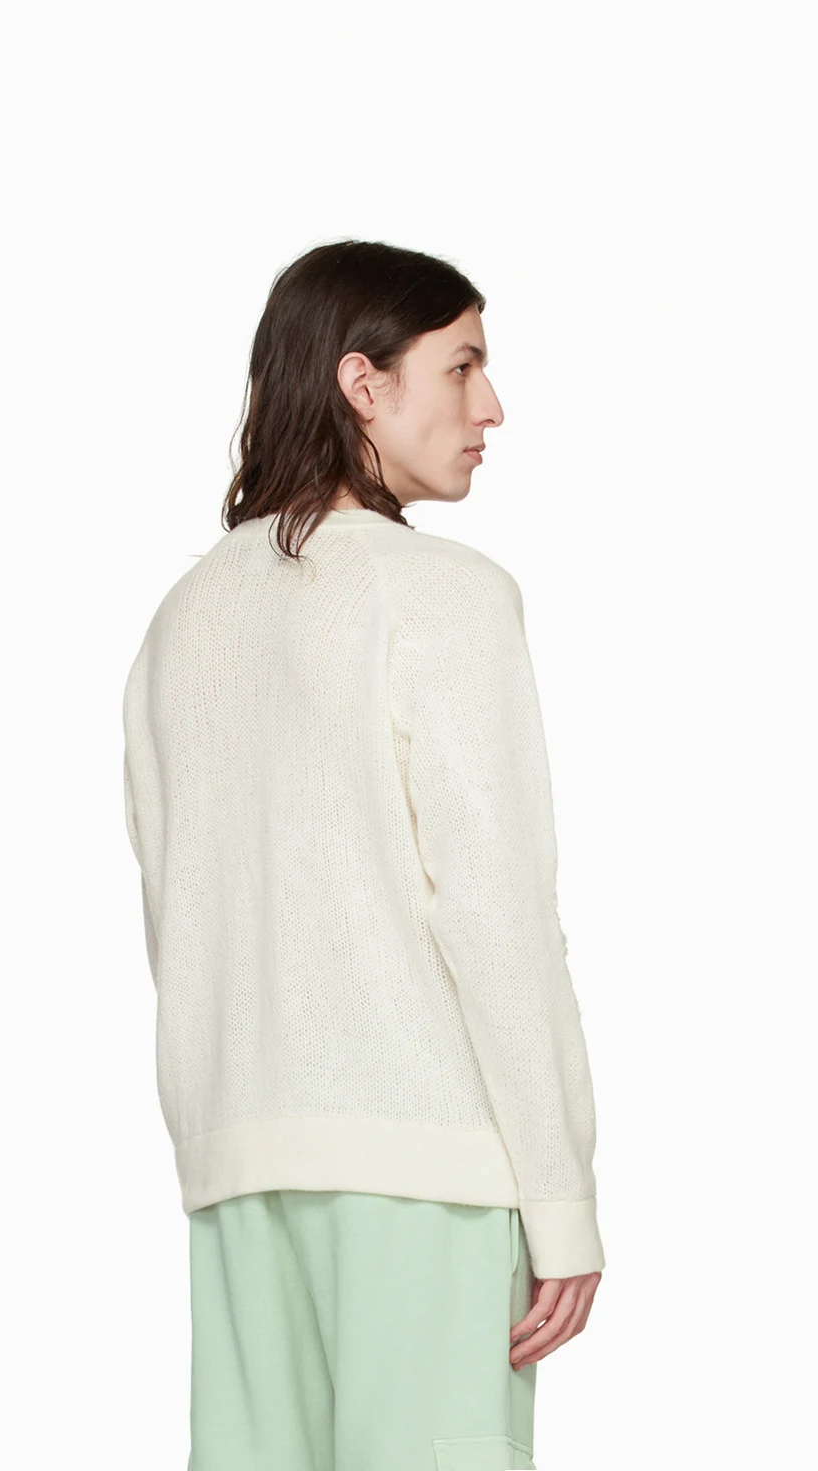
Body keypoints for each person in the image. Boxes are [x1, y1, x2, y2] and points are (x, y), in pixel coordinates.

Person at [122, 239, 606, 1471]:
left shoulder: (182, 621)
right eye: (462, 366)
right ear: (362, 383)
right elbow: (492, 908)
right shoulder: (440, 592)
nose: (492, 407)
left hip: (240, 1171)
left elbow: (174, 913)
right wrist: (561, 1197)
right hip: (423, 1161)